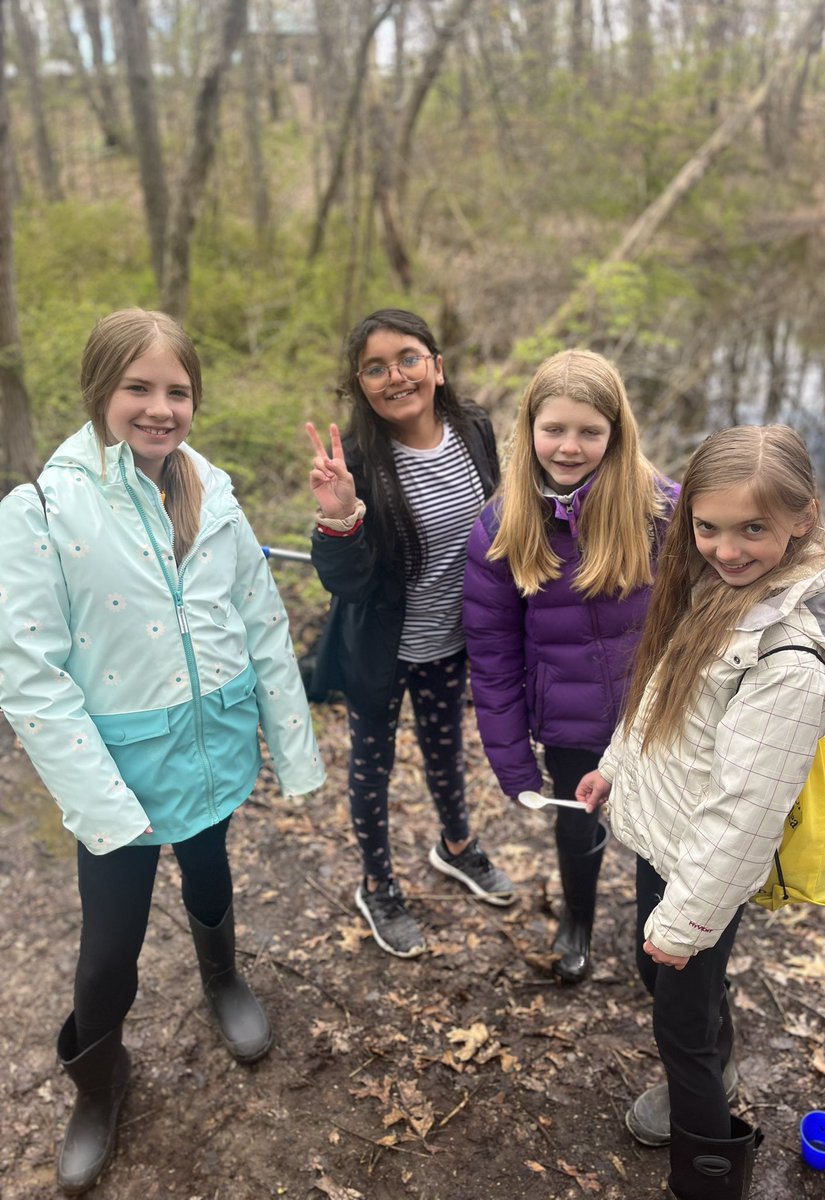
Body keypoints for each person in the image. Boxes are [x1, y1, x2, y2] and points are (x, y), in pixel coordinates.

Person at [0, 309, 325, 1195]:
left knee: (211, 871)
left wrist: (292, 749)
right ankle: (97, 1082)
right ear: (100, 390)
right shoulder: (41, 512)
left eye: (177, 390)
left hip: (212, 746)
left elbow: (258, 620)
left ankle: (222, 979)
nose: (159, 407)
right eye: (138, 388)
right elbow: (28, 674)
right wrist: (101, 805)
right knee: (111, 944)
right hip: (120, 770)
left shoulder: (213, 494)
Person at [575, 425, 825, 1200]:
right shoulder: (725, 587)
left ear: (802, 518)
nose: (726, 547)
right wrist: (614, 767)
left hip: (703, 863)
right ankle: (718, 1058)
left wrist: (687, 921)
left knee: (676, 1026)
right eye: (708, 527)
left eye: (753, 529)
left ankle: (706, 1175)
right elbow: (662, 697)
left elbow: (746, 814)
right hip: (667, 836)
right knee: (674, 986)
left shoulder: (788, 663)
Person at [304, 308, 514, 960]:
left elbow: (500, 524)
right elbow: (351, 584)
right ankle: (378, 885)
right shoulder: (361, 461)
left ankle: (455, 848)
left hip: (452, 641)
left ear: (436, 365)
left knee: (446, 750)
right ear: (361, 384)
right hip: (381, 649)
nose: (395, 376)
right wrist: (340, 521)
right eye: (375, 367)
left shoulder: (474, 428)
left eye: (408, 358)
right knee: (372, 768)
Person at [463, 349, 678, 983]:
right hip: (569, 720)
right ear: (528, 427)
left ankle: (661, 933)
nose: (569, 446)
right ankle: (577, 917)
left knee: (658, 830)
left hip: (655, 716)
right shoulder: (503, 525)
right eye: (554, 428)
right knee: (579, 824)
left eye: (590, 431)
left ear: (616, 434)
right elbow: (493, 653)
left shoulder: (662, 510)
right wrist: (511, 759)